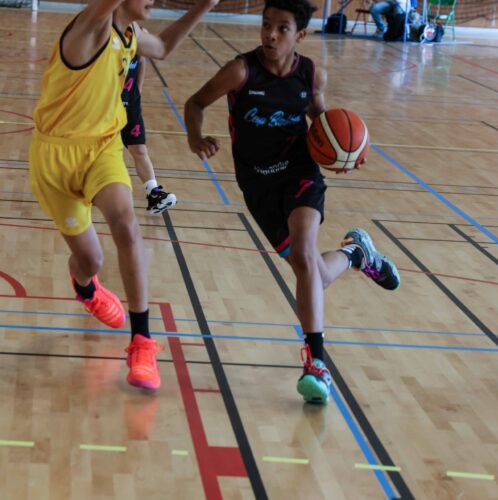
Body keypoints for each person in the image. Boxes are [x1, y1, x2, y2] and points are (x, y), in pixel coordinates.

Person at [184, 0, 401, 404]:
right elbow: (195, 103)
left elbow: (322, 123)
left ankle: (316, 363)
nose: (270, 34)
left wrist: (343, 154)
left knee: (303, 256)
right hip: (257, 185)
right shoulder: (241, 71)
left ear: (299, 35)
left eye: (282, 28)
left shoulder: (311, 74)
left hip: (300, 173)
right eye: (266, 25)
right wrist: (196, 137)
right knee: (313, 273)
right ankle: (356, 254)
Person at [29, 0, 219, 391]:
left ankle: (142, 342)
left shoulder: (130, 34)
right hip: (55, 159)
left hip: (102, 148)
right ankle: (86, 286)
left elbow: (162, 47)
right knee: (91, 260)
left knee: (126, 226)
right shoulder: (91, 26)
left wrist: (206, 4)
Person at [121, 50, 177, 215]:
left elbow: (142, 61)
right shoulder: (106, 38)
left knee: (139, 149)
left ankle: (154, 195)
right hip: (106, 104)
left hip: (130, 103)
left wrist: (138, 89)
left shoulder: (137, 38)